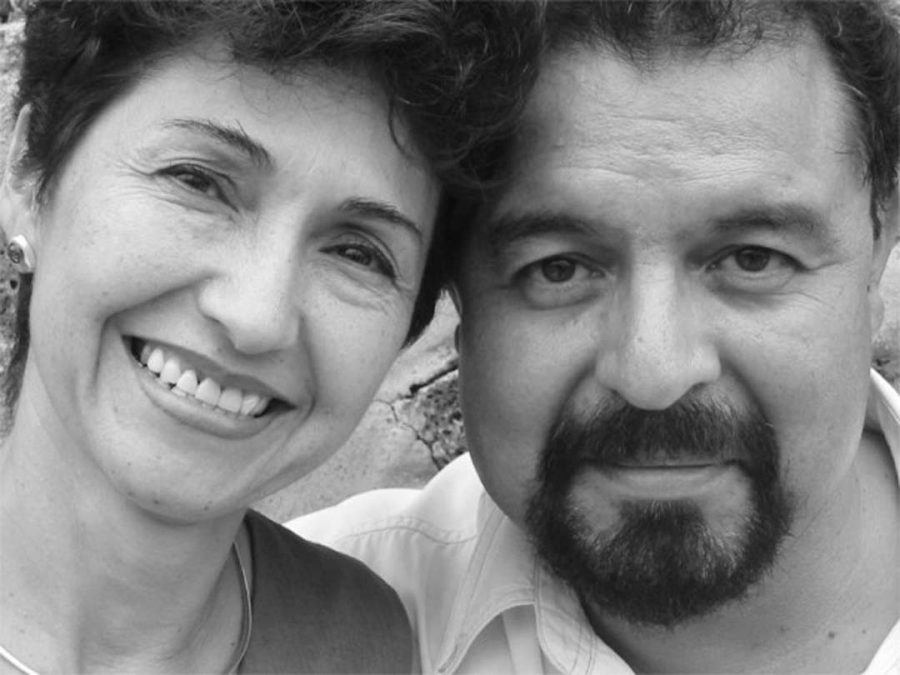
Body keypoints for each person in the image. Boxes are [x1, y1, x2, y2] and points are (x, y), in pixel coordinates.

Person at [290, 1, 900, 672]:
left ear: (879, 248)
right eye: (559, 269)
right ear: (457, 290)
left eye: (753, 259)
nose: (653, 373)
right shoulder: (285, 632)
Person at [0, 1, 541, 672]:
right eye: (198, 181)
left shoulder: (368, 644)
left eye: (357, 252)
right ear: (28, 173)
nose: (257, 316)